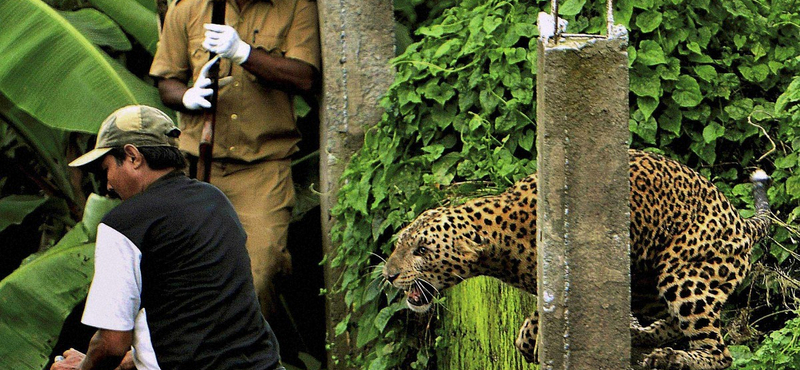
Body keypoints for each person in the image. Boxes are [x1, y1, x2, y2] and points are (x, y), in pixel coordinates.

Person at [52, 105, 283, 370]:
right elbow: (194, 321)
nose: (108, 184)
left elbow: (112, 344)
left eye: (106, 169)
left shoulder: (124, 224)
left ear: (132, 156)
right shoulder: (215, 199)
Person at [149, 0, 321, 320]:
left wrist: (244, 53)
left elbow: (305, 77)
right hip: (196, 167)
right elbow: (167, 81)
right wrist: (187, 96)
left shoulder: (296, 6)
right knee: (184, 279)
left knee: (261, 272)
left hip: (263, 166)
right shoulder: (189, 7)